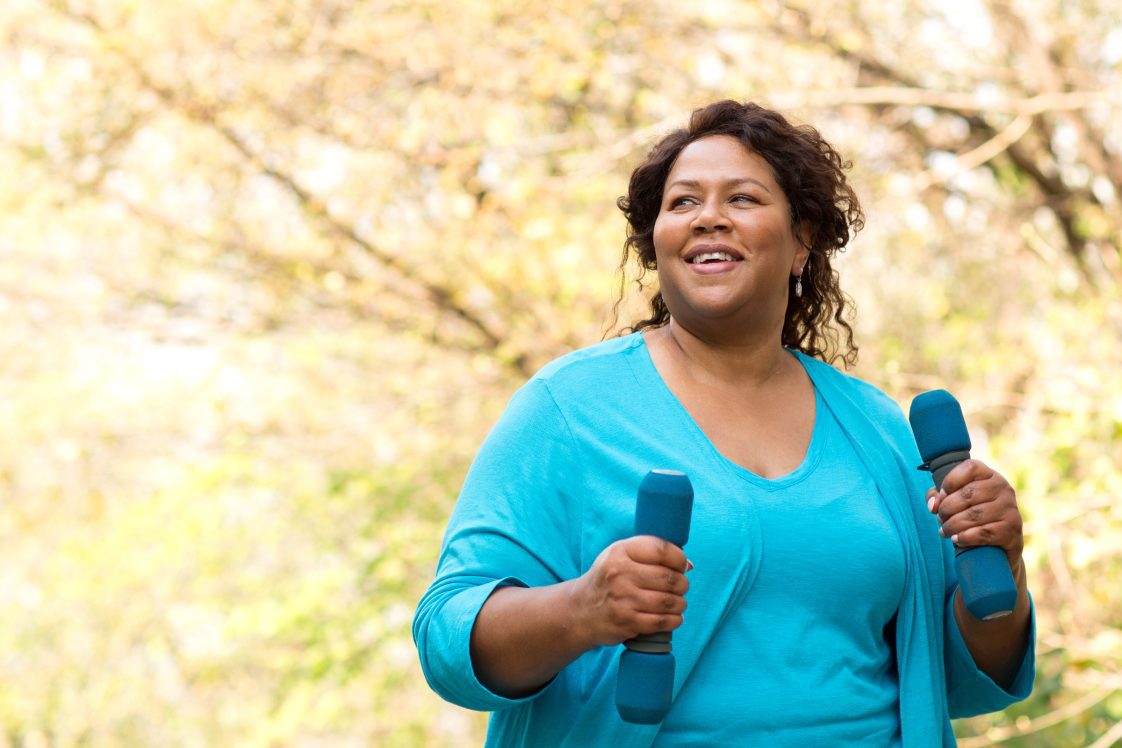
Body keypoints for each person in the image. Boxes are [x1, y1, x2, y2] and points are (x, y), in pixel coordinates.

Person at [413, 100, 1035, 746]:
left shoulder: (877, 428)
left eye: (742, 199)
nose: (709, 217)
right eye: (683, 203)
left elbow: (963, 673)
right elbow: (446, 635)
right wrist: (582, 611)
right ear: (656, 245)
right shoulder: (569, 409)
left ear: (802, 243)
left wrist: (1005, 563)